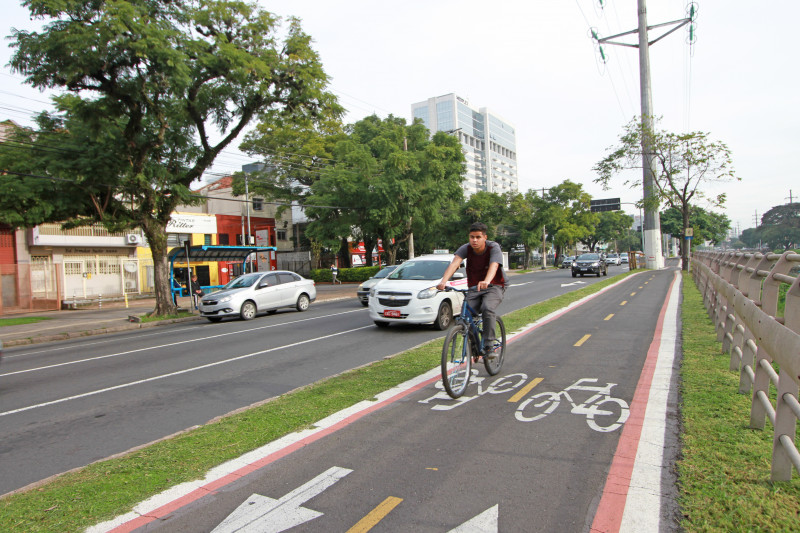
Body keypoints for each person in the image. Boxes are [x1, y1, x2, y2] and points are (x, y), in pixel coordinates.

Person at [437, 222, 506, 358]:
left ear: (485, 237)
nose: (474, 240)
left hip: (494, 286)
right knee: (464, 317)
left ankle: (489, 345)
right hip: (474, 288)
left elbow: (494, 266)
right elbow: (455, 263)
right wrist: (443, 281)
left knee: (487, 308)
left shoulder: (493, 247)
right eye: (472, 237)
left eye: (478, 237)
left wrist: (487, 281)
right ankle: (474, 347)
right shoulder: (466, 249)